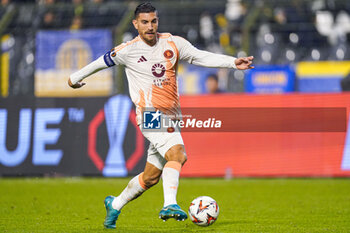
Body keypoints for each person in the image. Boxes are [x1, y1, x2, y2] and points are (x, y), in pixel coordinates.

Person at [68, 2, 254, 229]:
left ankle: (115, 204)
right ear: (135, 24)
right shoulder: (128, 50)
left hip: (172, 117)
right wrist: (74, 78)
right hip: (149, 115)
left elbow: (199, 56)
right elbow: (101, 62)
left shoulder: (173, 43)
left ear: (157, 21)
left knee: (150, 177)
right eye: (144, 22)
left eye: (153, 21)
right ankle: (170, 204)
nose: (150, 26)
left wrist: (233, 63)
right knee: (178, 154)